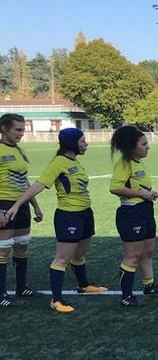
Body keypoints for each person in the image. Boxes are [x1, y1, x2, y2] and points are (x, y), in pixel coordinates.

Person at [2, 128, 107, 313]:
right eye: (82, 141)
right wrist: (19, 204)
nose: (86, 144)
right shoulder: (58, 163)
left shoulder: (75, 162)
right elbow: (39, 184)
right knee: (62, 258)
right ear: (72, 143)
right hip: (69, 216)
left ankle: (84, 285)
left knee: (80, 254)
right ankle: (56, 300)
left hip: (85, 213)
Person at [110, 126, 158, 307]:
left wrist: (150, 193)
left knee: (148, 252)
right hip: (131, 214)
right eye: (144, 144)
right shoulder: (123, 163)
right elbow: (115, 187)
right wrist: (141, 194)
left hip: (145, 211)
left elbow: (138, 186)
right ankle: (126, 296)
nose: (148, 147)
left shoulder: (139, 163)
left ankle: (149, 285)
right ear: (131, 147)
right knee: (132, 256)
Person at [0, 114, 44, 307]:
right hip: (4, 204)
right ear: (4, 128)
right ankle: (1, 295)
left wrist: (35, 205)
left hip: (22, 205)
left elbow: (24, 181)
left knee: (22, 245)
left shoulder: (20, 151)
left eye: (23, 130)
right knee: (3, 249)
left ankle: (21, 287)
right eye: (17, 130)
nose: (21, 134)